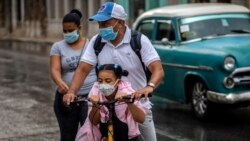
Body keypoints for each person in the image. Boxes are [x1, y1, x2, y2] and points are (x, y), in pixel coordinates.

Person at [63, 2, 164, 141]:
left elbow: (157, 69)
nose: (101, 28)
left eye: (105, 23)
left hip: (137, 107)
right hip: (106, 109)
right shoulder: (97, 42)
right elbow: (82, 69)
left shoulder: (139, 41)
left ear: (120, 22)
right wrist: (71, 92)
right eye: (100, 24)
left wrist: (149, 87)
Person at [50, 9, 96, 141]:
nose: (67, 33)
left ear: (79, 28)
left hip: (90, 99)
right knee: (68, 136)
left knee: (90, 136)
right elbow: (54, 70)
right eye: (65, 31)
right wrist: (61, 84)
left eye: (71, 30)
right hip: (66, 100)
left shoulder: (91, 45)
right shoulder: (57, 47)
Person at [75, 64, 147, 141]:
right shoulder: (96, 91)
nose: (103, 84)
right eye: (100, 81)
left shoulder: (128, 93)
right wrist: (95, 105)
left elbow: (141, 119)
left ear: (118, 82)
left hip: (125, 136)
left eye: (108, 81)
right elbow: (94, 122)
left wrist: (129, 103)